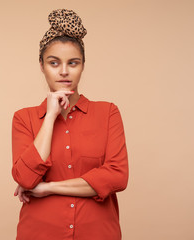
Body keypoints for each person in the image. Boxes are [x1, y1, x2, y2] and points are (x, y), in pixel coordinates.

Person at [12, 9, 129, 240]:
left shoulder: (108, 113)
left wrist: (48, 187)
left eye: (72, 63)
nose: (64, 71)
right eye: (54, 63)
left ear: (83, 65)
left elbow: (117, 177)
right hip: (39, 233)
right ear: (41, 65)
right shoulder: (23, 118)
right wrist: (50, 116)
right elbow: (25, 179)